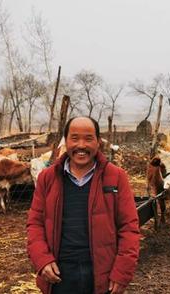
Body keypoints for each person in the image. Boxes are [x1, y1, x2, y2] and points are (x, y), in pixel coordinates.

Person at [27, 116, 140, 294]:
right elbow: (35, 223)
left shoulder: (116, 177)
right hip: (58, 276)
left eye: (88, 139)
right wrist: (42, 260)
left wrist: (121, 273)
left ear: (98, 142)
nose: (81, 145)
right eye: (74, 138)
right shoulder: (47, 178)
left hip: (101, 278)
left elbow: (129, 228)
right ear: (65, 141)